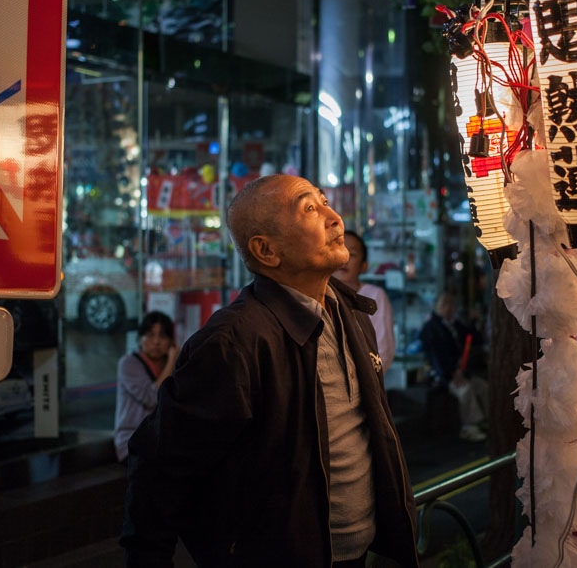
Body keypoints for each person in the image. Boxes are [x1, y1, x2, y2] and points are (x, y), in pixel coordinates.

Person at [121, 174, 419, 568]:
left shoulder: (350, 313)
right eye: (310, 209)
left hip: (355, 556)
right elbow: (160, 468)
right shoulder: (233, 342)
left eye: (325, 202)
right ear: (266, 250)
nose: (334, 217)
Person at [420, 292, 489, 442]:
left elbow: (474, 339)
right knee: (465, 391)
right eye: (444, 304)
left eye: (451, 304)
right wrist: (451, 374)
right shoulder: (431, 328)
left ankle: (486, 420)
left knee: (483, 387)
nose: (449, 307)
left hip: (461, 372)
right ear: (436, 306)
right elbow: (435, 357)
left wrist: (474, 322)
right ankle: (469, 426)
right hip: (443, 376)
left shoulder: (456, 325)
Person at [114, 311, 180, 462]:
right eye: (150, 335)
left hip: (161, 441)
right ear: (139, 338)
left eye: (163, 336)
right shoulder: (128, 363)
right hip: (132, 442)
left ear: (171, 342)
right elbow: (151, 398)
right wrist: (171, 361)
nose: (156, 342)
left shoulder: (173, 366)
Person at [333, 230, 396, 372]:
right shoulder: (317, 295)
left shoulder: (374, 296)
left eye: (352, 254)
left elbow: (383, 352)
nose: (345, 258)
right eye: (338, 250)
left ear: (364, 266)